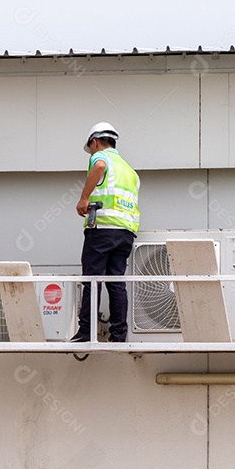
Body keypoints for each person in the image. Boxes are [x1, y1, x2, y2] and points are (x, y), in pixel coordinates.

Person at [73, 122, 140, 343]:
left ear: (95, 142)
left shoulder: (101, 157)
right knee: (116, 282)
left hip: (102, 230)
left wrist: (84, 198)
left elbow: (99, 166)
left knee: (92, 280)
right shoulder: (129, 170)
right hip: (125, 233)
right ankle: (119, 336)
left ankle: (86, 332)